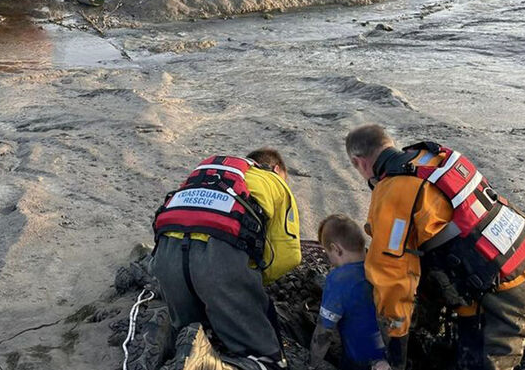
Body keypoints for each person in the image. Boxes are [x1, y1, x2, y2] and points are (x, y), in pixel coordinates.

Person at [344, 124, 525, 370]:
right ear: (389, 143)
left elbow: (391, 276)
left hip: (498, 299)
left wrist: (396, 346)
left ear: (358, 163)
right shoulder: (435, 156)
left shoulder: (392, 191)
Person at [152, 148, 301, 367]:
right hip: (218, 264)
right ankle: (208, 363)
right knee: (267, 359)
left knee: (199, 330)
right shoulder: (274, 182)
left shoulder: (207, 172)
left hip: (166, 260)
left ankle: (176, 340)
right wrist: (252, 279)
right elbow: (289, 256)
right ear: (277, 169)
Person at [309, 214, 389, 370]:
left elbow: (324, 332)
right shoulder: (379, 267)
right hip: (388, 355)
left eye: (327, 253)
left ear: (336, 249)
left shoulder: (339, 280)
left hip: (357, 361)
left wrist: (312, 364)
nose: (329, 260)